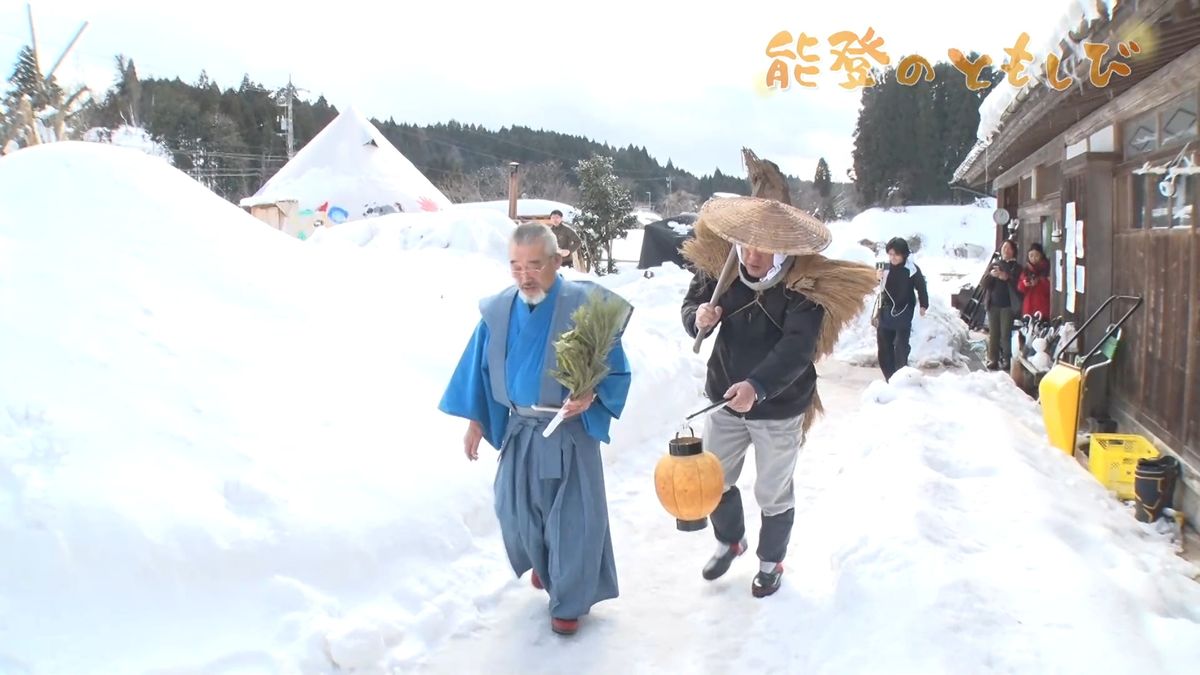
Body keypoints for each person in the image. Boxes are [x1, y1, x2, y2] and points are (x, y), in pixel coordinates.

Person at [438, 223, 632, 636]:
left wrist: (592, 396)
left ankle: (570, 600)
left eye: (535, 265)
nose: (525, 276)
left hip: (570, 431)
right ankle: (546, 564)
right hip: (521, 429)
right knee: (516, 509)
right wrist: (477, 422)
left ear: (557, 260)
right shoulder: (497, 310)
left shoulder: (586, 305)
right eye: (516, 266)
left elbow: (615, 366)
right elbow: (481, 369)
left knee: (573, 519)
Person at [680, 197, 830, 599]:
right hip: (724, 397)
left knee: (772, 490)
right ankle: (731, 540)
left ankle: (770, 561)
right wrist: (698, 316)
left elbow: (798, 349)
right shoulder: (721, 269)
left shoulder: (804, 287)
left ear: (781, 249)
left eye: (762, 248)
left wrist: (758, 387)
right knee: (715, 480)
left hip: (778, 406)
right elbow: (692, 303)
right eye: (746, 245)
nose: (751, 255)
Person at [874, 237, 929, 382]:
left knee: (900, 346)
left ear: (904, 255)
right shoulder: (883, 267)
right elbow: (874, 285)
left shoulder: (911, 269)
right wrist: (876, 277)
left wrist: (924, 305)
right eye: (890, 254)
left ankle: (901, 377)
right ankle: (889, 377)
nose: (893, 258)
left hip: (904, 309)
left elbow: (921, 287)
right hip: (886, 310)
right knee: (884, 346)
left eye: (896, 254)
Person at [981, 239, 1023, 371]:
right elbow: (983, 284)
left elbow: (1019, 286)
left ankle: (1006, 358)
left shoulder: (1017, 268)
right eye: (1004, 248)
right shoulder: (995, 264)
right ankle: (992, 358)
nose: (1006, 251)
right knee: (993, 333)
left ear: (1014, 251)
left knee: (1005, 334)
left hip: (1008, 305)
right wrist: (992, 276)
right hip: (993, 304)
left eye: (1009, 248)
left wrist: (1007, 277)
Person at [1018, 242, 1051, 320]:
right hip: (1028, 308)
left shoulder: (1046, 269)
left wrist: (1038, 282)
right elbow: (1020, 287)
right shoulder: (1026, 270)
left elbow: (1049, 288)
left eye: (1036, 255)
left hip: (1042, 307)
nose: (1033, 258)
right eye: (1031, 255)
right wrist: (1024, 284)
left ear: (1041, 256)